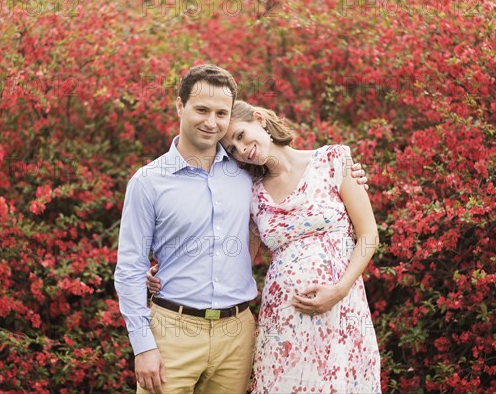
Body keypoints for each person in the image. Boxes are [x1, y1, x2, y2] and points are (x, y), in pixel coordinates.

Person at [115, 64, 369, 394]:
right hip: (172, 331)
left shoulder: (246, 173)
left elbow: (301, 184)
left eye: (221, 113)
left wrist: (352, 177)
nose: (211, 122)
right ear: (180, 107)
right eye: (201, 110)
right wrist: (143, 346)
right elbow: (129, 269)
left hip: (237, 333)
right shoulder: (148, 182)